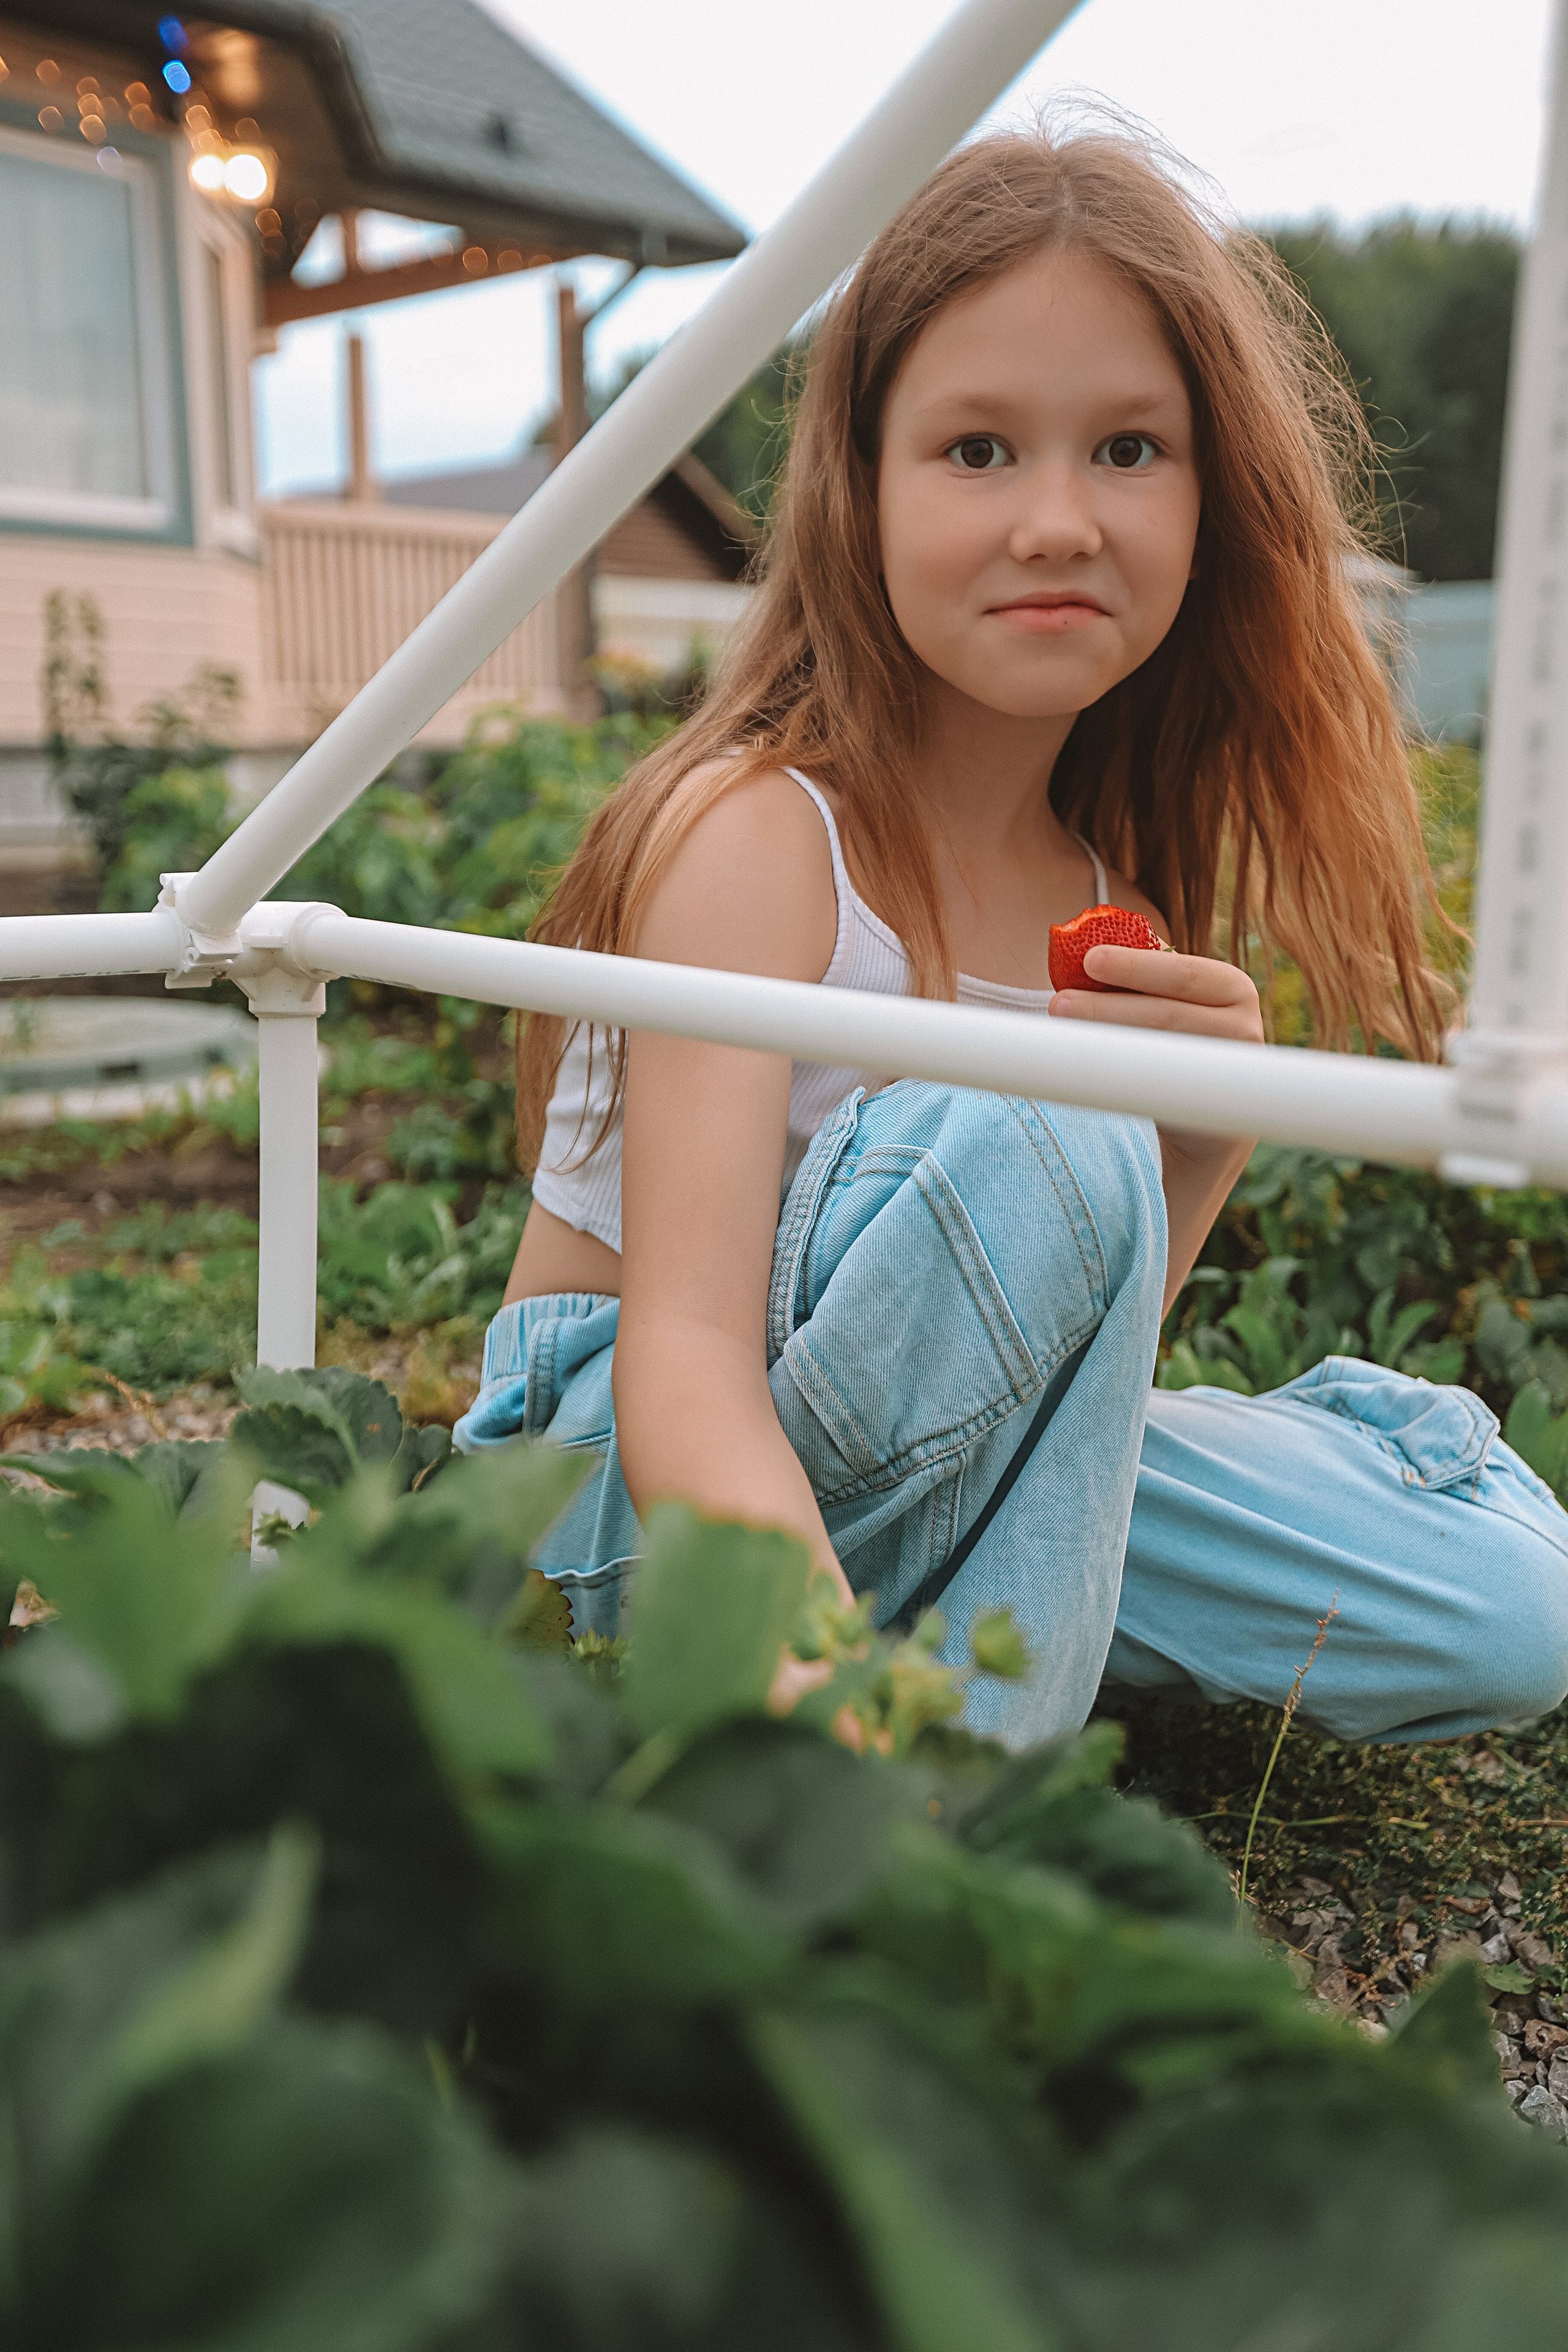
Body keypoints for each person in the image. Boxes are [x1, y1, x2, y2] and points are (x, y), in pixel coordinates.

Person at [456, 122, 1568, 1748]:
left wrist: (1199, 1147)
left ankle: (956, 1639)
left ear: (1213, 498)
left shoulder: (1103, 887)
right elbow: (685, 1356)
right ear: (860, 487)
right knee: (1046, 1124)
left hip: (910, 1460)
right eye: (978, 451)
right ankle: (946, 1795)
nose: (1058, 521)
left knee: (1512, 1603)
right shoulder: (763, 836)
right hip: (625, 1489)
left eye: (1129, 450)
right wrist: (823, 1721)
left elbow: (1064, 1383)